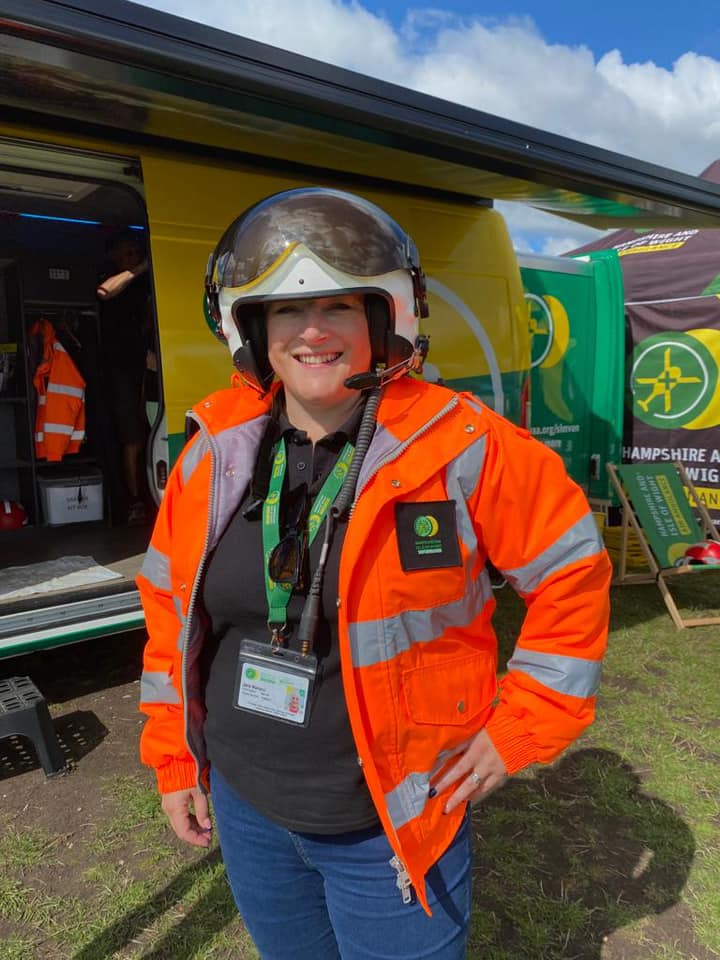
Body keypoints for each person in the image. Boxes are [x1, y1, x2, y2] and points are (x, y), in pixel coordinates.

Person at [138, 187, 612, 959]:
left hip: (389, 825)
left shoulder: (464, 446)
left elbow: (573, 576)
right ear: (253, 329)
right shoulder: (214, 453)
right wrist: (173, 758)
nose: (313, 331)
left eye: (339, 309)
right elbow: (170, 612)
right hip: (248, 808)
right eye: (288, 312)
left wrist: (518, 727)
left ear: (384, 320)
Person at [97, 229, 153, 526]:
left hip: (146, 369)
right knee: (132, 440)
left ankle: (150, 495)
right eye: (128, 253)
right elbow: (104, 292)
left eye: (137, 252)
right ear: (116, 257)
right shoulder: (112, 280)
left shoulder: (143, 288)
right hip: (120, 370)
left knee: (150, 434)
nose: (135, 256)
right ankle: (133, 503)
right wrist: (139, 268)